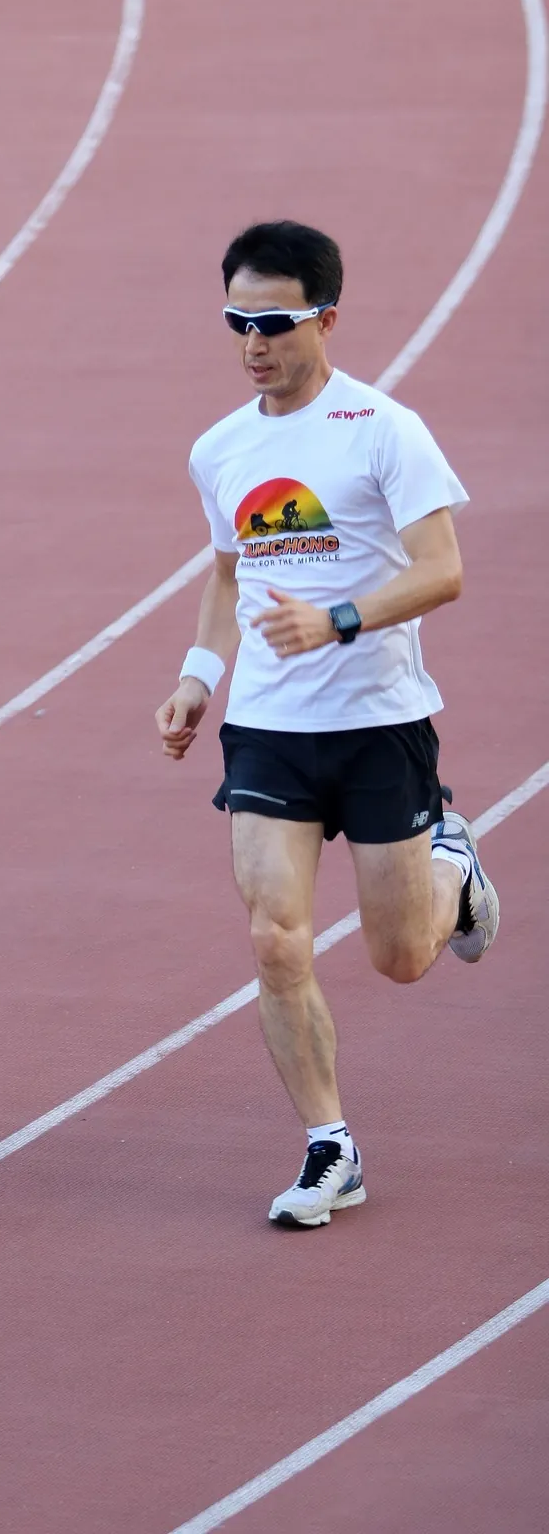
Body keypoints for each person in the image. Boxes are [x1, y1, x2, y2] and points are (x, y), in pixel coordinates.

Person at [154, 220, 499, 1228]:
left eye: (272, 321)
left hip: (379, 721)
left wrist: (338, 618)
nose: (252, 341)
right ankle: (328, 1147)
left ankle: (452, 867)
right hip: (266, 725)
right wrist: (195, 676)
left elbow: (443, 569)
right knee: (274, 938)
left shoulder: (382, 430)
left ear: (324, 318)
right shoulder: (220, 449)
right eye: (236, 322)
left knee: (399, 956)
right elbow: (228, 571)